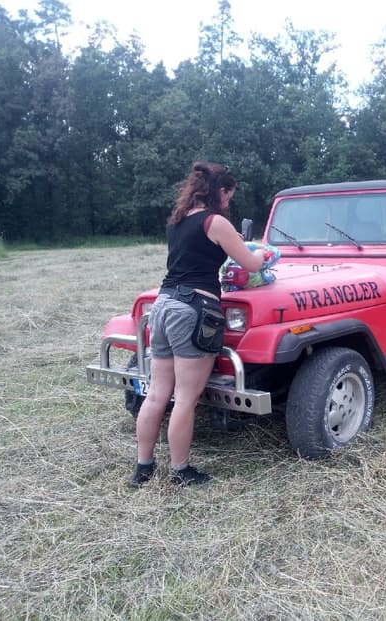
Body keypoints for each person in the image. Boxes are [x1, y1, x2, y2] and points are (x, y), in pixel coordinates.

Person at [130, 162, 267, 487]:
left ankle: (143, 468)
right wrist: (264, 254)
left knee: (157, 394)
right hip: (193, 309)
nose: (229, 202)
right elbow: (250, 263)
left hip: (163, 305)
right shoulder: (215, 222)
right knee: (185, 398)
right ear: (220, 191)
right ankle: (181, 471)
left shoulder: (178, 220)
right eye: (229, 195)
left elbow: (196, 255)